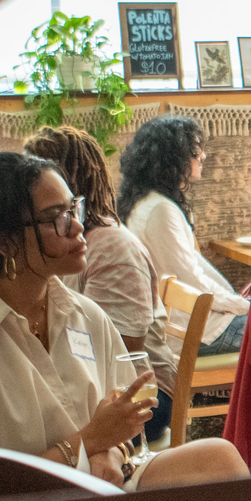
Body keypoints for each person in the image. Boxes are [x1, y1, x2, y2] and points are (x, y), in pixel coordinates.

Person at [0, 152, 248, 490]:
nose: (78, 226)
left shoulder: (84, 315)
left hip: (100, 488)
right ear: (5, 242)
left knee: (221, 458)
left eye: (74, 209)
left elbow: (122, 424)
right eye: (56, 218)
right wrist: (88, 443)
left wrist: (112, 452)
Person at [24, 125, 177, 442]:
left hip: (142, 398)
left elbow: (120, 355)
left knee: (33, 431)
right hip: (92, 387)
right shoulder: (56, 245)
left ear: (63, 183)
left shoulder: (112, 249)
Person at [118, 116, 250, 357]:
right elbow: (190, 279)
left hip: (190, 324)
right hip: (192, 331)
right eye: (195, 151)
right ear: (172, 158)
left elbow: (194, 268)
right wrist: (242, 306)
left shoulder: (147, 202)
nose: (203, 156)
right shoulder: (160, 211)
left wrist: (236, 302)